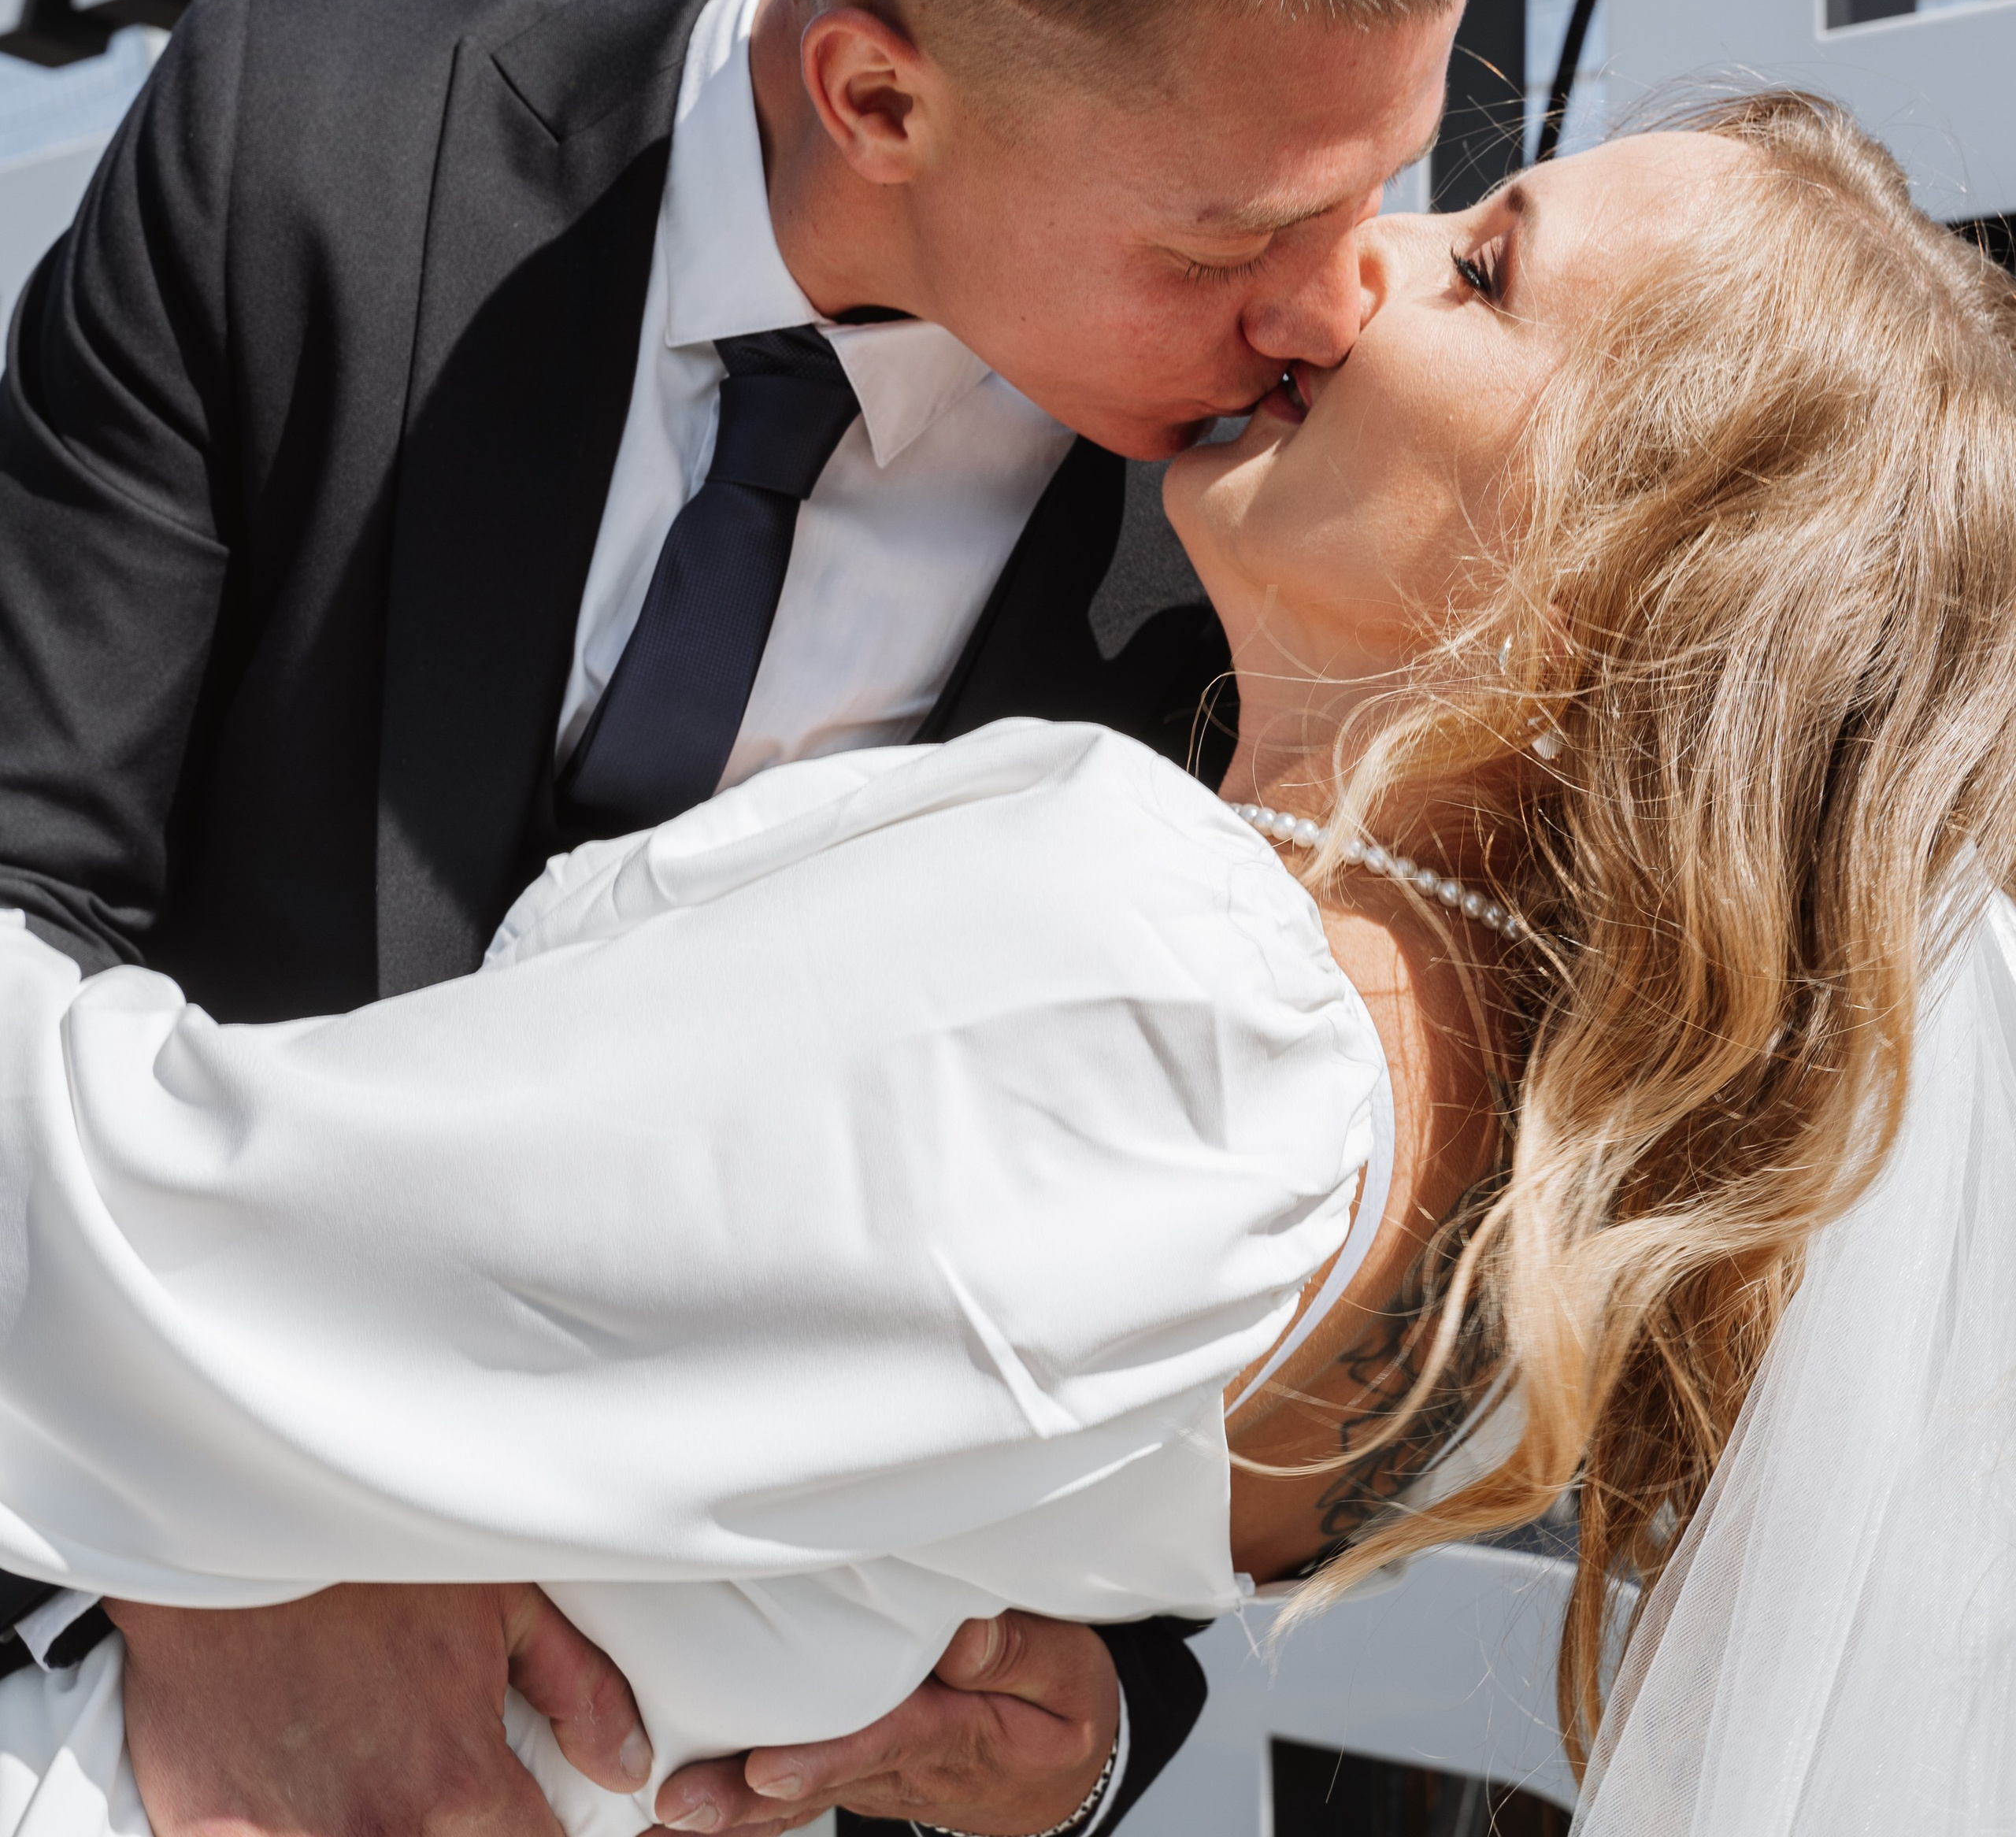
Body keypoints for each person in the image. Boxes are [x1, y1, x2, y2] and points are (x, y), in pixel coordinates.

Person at [1, 91, 2011, 1837]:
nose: (1341, 269)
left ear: (1619, 563)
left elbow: (119, 1240)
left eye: (1481, 272)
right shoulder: (1518, 1236)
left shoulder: (1167, 984)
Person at [0, 0, 1491, 1837]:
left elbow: (1207, 1298)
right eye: (1220, 245)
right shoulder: (285, 148)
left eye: (1381, 191)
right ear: (876, 93)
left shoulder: (1282, 518)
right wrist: (219, 1568)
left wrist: (1081, 1736)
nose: (1333, 307)